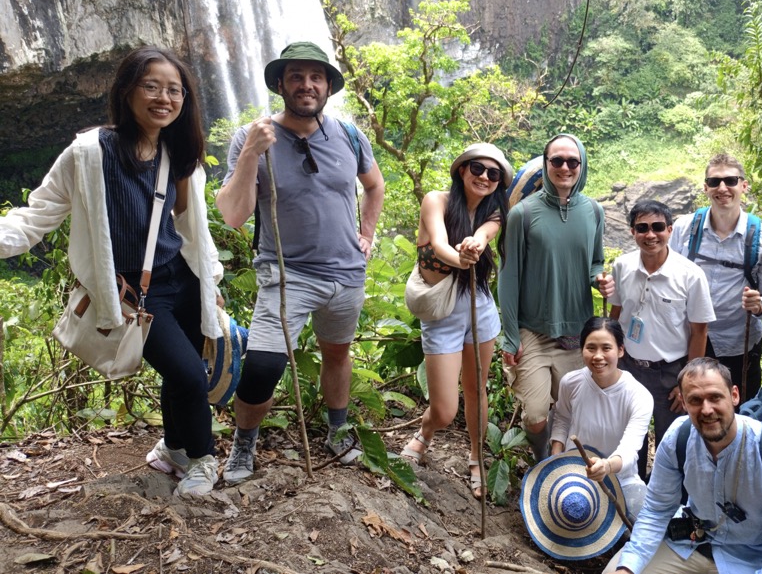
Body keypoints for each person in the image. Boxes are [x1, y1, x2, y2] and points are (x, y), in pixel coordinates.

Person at [0, 46, 223, 497]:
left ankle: (174, 449)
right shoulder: (88, 153)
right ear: (127, 91)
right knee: (188, 375)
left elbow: (190, 226)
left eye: (174, 90)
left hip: (182, 277)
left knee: (184, 367)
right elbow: (38, 214)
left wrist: (210, 281)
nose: (164, 98)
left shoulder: (177, 152)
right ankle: (204, 459)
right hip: (138, 292)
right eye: (152, 86)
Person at [216, 41, 385, 480]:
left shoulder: (349, 135)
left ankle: (336, 429)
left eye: (316, 77)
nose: (306, 85)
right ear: (280, 84)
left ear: (328, 86)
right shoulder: (252, 138)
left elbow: (374, 186)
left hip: (346, 274)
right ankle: (243, 444)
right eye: (296, 76)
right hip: (288, 276)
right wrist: (252, 152)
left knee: (337, 353)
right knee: (262, 367)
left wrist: (366, 235)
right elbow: (234, 214)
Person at [605, 358, 762, 574]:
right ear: (683, 403)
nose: (706, 409)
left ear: (734, 396)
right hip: (691, 543)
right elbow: (657, 509)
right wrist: (628, 568)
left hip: (751, 560)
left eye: (715, 397)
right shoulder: (678, 437)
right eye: (695, 400)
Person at [400, 143, 512, 499]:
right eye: (477, 169)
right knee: (446, 409)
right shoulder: (437, 201)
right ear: (462, 170)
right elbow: (439, 242)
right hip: (442, 311)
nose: (484, 177)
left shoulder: (494, 213)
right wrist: (461, 258)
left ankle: (477, 457)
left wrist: (475, 245)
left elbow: (483, 235)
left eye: (493, 174)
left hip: (478, 307)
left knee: (476, 388)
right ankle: (426, 431)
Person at [498, 134, 615, 461]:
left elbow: (595, 261)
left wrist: (599, 280)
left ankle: (563, 467)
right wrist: (509, 335)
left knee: (574, 414)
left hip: (577, 335)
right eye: (557, 161)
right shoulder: (522, 214)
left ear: (582, 165)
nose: (565, 167)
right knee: (536, 416)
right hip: (532, 330)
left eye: (572, 161)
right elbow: (508, 278)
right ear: (546, 164)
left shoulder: (593, 211)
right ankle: (543, 458)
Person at [609, 199, 715, 481]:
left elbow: (699, 331)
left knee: (673, 443)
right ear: (633, 232)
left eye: (658, 227)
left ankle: (671, 507)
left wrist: (687, 383)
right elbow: (616, 316)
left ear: (669, 230)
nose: (650, 234)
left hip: (671, 373)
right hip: (630, 368)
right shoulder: (622, 267)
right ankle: (634, 499)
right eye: (642, 228)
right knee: (632, 441)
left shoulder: (690, 275)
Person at [669, 153, 762, 402]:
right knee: (692, 406)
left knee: (739, 411)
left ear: (744, 186)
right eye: (714, 182)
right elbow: (668, 277)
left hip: (739, 345)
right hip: (687, 338)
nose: (722, 188)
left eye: (730, 180)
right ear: (705, 188)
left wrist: (760, 305)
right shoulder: (684, 228)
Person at [551, 317, 654, 515]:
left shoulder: (639, 396)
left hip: (621, 479)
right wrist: (556, 458)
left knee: (641, 526)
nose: (598, 356)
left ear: (621, 350)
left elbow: (630, 450)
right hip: (573, 476)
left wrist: (606, 466)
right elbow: (562, 420)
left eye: (606, 348)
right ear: (582, 350)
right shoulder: (570, 382)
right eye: (591, 348)